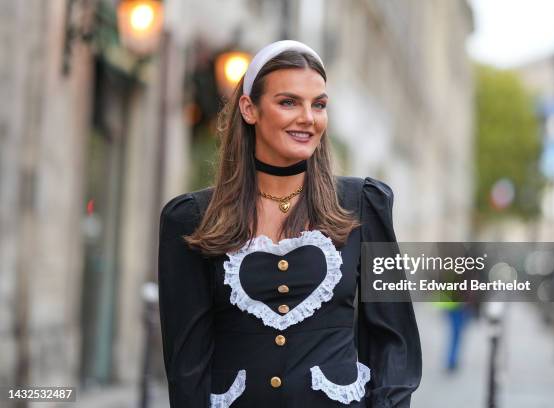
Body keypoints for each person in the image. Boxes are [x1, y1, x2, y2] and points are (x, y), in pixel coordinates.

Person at [158, 40, 421, 407]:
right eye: (288, 102)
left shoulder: (363, 204)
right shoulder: (191, 218)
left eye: (319, 105)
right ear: (250, 109)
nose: (308, 118)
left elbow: (394, 342)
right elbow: (187, 365)